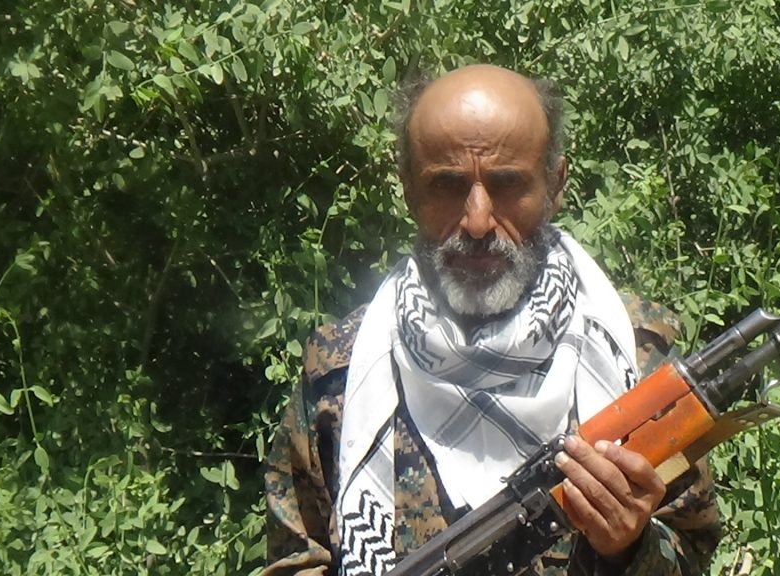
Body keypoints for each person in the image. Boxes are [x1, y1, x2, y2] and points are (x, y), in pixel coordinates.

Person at [263, 64, 721, 576]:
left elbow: (693, 547)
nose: (478, 220)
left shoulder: (636, 353)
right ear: (409, 189)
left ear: (555, 185)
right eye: (447, 185)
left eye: (506, 184)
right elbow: (295, 560)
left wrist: (630, 548)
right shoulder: (342, 371)